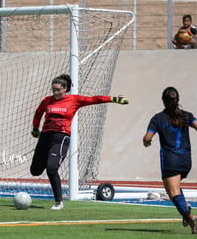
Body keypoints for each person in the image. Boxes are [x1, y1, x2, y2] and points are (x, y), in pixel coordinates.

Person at [30, 74, 128, 210]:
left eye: (58, 90)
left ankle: (59, 202)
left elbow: (94, 99)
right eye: (53, 90)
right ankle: (49, 160)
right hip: (45, 137)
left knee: (52, 168)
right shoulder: (47, 100)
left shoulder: (74, 100)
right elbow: (38, 112)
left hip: (61, 137)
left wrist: (114, 99)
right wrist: (35, 128)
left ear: (65, 89)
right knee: (34, 171)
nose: (55, 92)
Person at [143, 87, 197, 234]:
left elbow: (147, 138)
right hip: (186, 160)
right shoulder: (187, 115)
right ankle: (185, 206)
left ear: (163, 101)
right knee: (176, 188)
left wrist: (146, 142)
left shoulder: (158, 118)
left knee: (173, 193)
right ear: (178, 100)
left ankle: (190, 217)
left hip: (170, 160)